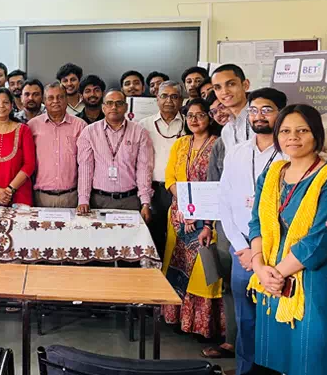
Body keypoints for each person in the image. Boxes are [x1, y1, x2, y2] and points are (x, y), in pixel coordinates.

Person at [247, 104, 327, 375]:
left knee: (313, 357)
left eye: (302, 130)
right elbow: (256, 223)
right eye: (286, 131)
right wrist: (259, 267)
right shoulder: (271, 174)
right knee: (275, 358)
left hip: (312, 280)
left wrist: (275, 274)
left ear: (316, 135)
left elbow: (321, 239)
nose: (293, 137)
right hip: (270, 280)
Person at [216, 88, 287, 373]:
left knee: (276, 315)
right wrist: (242, 247)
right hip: (242, 249)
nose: (259, 116)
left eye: (266, 110)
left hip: (277, 249)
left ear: (281, 113)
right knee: (245, 318)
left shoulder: (288, 153)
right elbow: (224, 201)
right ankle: (245, 370)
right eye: (254, 110)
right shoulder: (237, 152)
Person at [161, 98, 224, 339]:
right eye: (190, 116)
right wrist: (186, 205)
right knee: (177, 264)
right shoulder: (180, 144)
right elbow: (170, 179)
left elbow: (220, 183)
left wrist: (199, 211)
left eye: (200, 115)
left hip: (208, 218)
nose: (195, 120)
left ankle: (201, 326)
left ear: (210, 117)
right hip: (179, 215)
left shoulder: (219, 144)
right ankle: (177, 318)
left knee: (203, 270)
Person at [76, 89, 154, 219]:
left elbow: (144, 168)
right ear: (103, 107)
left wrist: (145, 202)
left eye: (119, 103)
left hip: (130, 200)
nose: (114, 107)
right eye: (109, 103)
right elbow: (85, 168)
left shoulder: (139, 132)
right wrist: (83, 200)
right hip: (99, 200)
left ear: (126, 107)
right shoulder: (89, 132)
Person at [203, 88, 237, 360]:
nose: (219, 113)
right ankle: (232, 342)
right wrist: (207, 224)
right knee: (229, 282)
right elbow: (212, 187)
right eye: (214, 111)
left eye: (222, 107)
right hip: (226, 224)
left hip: (263, 224)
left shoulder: (261, 137)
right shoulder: (220, 144)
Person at [140, 80, 186, 257]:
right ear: (157, 99)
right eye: (164, 96)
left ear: (181, 100)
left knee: (180, 237)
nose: (169, 101)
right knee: (155, 236)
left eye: (174, 97)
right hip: (155, 190)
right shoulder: (144, 125)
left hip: (180, 191)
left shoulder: (189, 124)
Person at [28, 82, 86, 207]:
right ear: (44, 101)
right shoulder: (32, 126)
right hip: (40, 197)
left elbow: (85, 165)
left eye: (60, 97)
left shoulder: (80, 125)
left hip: (71, 197)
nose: (56, 101)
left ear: (66, 99)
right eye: (51, 98)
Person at [212, 64, 251, 154]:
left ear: (245, 85)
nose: (224, 92)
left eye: (231, 84)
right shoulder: (226, 130)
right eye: (218, 87)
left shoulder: (260, 119)